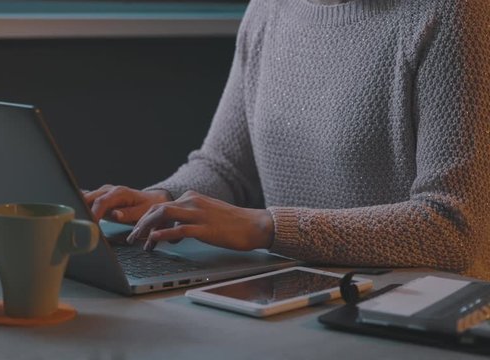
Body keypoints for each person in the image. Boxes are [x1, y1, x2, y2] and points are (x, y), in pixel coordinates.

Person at [85, 0, 490, 279]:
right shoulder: (268, 8)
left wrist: (268, 227)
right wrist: (163, 200)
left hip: (412, 312)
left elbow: (455, 229)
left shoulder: (454, 13)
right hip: (295, 291)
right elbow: (226, 168)